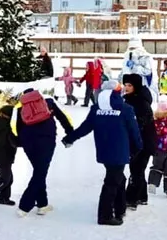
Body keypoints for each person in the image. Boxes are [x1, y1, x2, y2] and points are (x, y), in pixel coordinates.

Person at [62, 81, 142, 226]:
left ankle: (120, 208)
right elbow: (134, 131)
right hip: (120, 152)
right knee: (111, 183)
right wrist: (138, 147)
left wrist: (70, 138)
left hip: (104, 151)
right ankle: (105, 216)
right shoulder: (126, 109)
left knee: (119, 178)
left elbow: (85, 128)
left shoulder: (96, 109)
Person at [12, 88, 73, 217]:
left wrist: (20, 142)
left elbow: (18, 127)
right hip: (46, 140)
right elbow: (62, 118)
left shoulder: (20, 108)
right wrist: (70, 132)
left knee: (39, 171)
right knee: (40, 172)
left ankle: (42, 204)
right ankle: (24, 206)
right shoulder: (49, 102)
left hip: (28, 142)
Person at [122, 73, 156, 210]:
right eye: (125, 85)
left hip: (143, 141)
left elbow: (142, 123)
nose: (126, 88)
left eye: (129, 85)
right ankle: (142, 196)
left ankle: (131, 199)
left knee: (136, 169)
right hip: (138, 141)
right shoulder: (131, 99)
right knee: (138, 169)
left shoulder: (140, 102)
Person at [119, 35, 157, 99]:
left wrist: (135, 68)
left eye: (134, 48)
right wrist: (121, 77)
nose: (132, 50)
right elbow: (124, 70)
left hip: (140, 85)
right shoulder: (127, 57)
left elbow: (148, 71)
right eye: (131, 48)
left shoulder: (145, 57)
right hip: (128, 86)